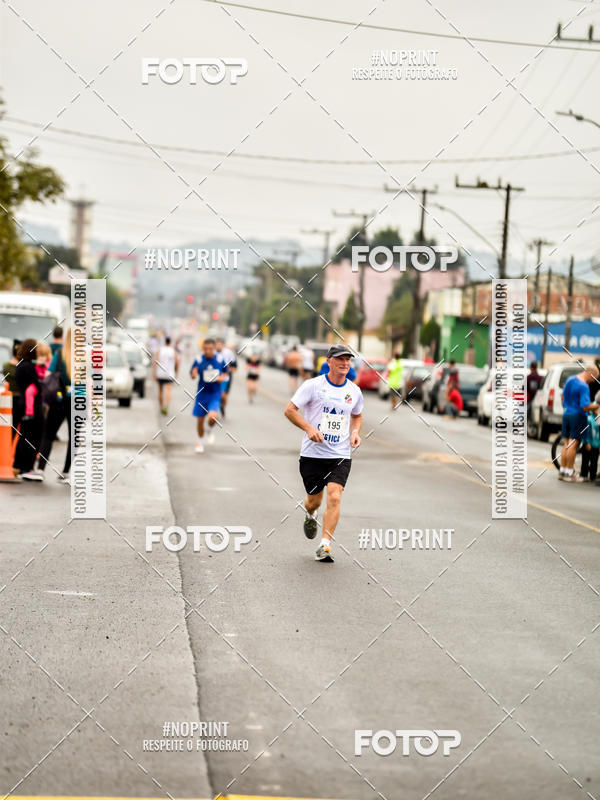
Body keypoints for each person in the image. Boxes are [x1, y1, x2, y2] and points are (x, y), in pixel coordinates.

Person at [284, 344, 363, 563]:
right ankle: (310, 514)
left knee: (335, 496)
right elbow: (289, 410)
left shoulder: (354, 391)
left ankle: (325, 545)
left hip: (339, 454)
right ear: (328, 361)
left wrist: (355, 432)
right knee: (314, 501)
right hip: (312, 455)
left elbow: (357, 415)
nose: (345, 363)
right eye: (340, 359)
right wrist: (309, 429)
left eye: (348, 360)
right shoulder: (312, 386)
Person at [37, 328, 72, 483]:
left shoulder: (59, 355)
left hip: (59, 399)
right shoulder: (86, 357)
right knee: (74, 438)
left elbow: (48, 374)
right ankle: (65, 472)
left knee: (49, 434)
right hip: (78, 401)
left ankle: (40, 469)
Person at [559, 365, 600, 482]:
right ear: (590, 373)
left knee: (566, 443)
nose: (593, 380)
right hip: (578, 416)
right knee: (574, 444)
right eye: (594, 377)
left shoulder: (570, 379)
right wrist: (597, 406)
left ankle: (563, 471)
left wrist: (567, 408)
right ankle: (569, 473)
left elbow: (562, 396)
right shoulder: (583, 386)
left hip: (567, 414)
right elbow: (585, 406)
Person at [190, 338, 228, 453]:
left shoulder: (220, 360)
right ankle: (199, 441)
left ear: (214, 348)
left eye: (210, 349)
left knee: (212, 417)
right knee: (200, 420)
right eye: (205, 349)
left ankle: (210, 429)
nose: (208, 351)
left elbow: (226, 373)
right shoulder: (198, 360)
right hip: (201, 394)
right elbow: (192, 374)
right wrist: (194, 374)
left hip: (214, 394)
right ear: (203, 348)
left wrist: (221, 378)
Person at [13, 339, 44, 480]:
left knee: (24, 436)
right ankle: (27, 467)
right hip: (31, 408)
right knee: (33, 438)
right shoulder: (29, 367)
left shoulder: (20, 365)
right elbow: (37, 386)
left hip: (22, 404)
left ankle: (20, 466)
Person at [2, 339, 23, 438]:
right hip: (19, 398)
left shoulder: (6, 366)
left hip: (9, 398)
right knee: (17, 425)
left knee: (9, 424)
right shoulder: (21, 367)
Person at [154, 336, 178, 416]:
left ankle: (161, 408)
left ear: (165, 342)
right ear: (170, 342)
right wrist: (176, 372)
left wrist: (154, 373)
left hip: (160, 373)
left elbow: (156, 362)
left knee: (160, 391)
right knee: (168, 391)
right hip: (170, 374)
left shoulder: (160, 350)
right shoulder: (173, 351)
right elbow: (177, 363)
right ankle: (166, 407)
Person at [215, 337, 237, 418]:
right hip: (215, 378)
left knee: (223, 396)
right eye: (216, 344)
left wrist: (227, 370)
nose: (218, 346)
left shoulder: (228, 353)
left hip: (226, 378)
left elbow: (235, 367)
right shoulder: (212, 353)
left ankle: (222, 406)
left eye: (220, 344)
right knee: (216, 395)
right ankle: (215, 410)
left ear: (223, 345)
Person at [581, 409, 600, 482]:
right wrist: (586, 442)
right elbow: (585, 432)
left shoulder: (599, 419)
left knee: (594, 462)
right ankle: (584, 475)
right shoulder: (589, 419)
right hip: (588, 444)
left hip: (596, 445)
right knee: (585, 461)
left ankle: (593, 476)